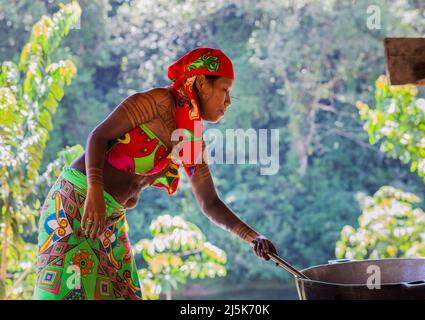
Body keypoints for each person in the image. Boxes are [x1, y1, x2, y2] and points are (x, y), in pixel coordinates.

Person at [33, 47, 278, 300]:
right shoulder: (155, 103)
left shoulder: (191, 140)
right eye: (225, 91)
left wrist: (253, 237)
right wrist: (95, 190)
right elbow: (98, 136)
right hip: (77, 203)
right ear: (203, 83)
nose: (228, 101)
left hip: (111, 217)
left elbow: (209, 202)